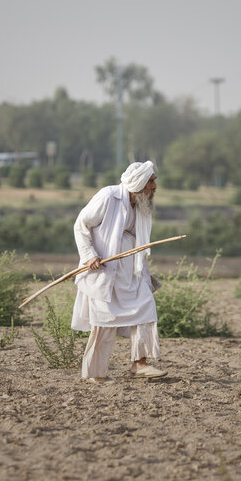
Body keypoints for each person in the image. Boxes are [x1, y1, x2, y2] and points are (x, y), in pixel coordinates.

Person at [71, 160, 167, 382]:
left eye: (154, 181)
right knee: (104, 320)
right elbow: (81, 224)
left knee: (146, 307)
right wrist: (89, 256)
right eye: (151, 182)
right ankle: (95, 374)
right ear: (139, 182)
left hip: (133, 270)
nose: (154, 186)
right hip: (105, 269)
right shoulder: (108, 196)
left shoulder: (141, 204)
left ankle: (139, 364)